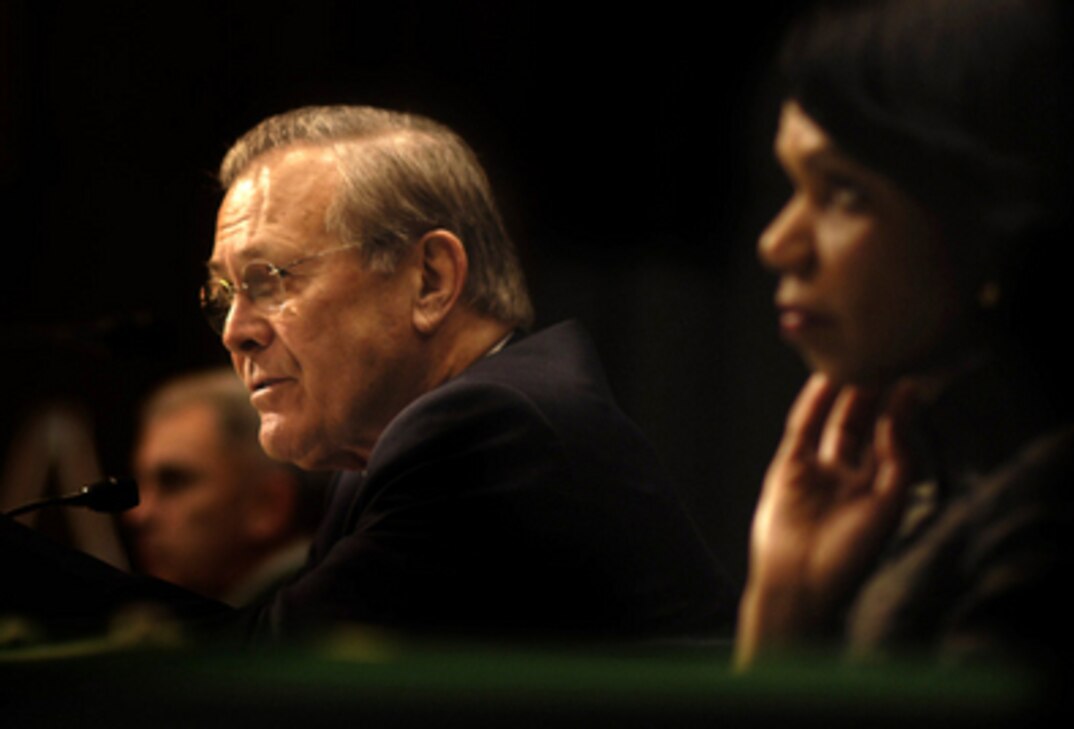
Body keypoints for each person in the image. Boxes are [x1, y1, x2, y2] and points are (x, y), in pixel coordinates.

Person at [199, 105, 733, 642]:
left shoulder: (489, 431)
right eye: (223, 295)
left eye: (268, 280)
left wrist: (111, 601)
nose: (234, 331)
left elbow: (271, 664)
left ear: (430, 280)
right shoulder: (377, 452)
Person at [736, 0, 1074, 680]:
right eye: (792, 184)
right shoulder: (931, 489)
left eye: (842, 192)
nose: (778, 244)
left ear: (990, 223)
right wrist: (784, 608)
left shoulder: (1049, 529)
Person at [125, 368, 322, 607]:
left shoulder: (313, 622)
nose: (139, 515)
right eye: (142, 485)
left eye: (174, 483)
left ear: (268, 504)